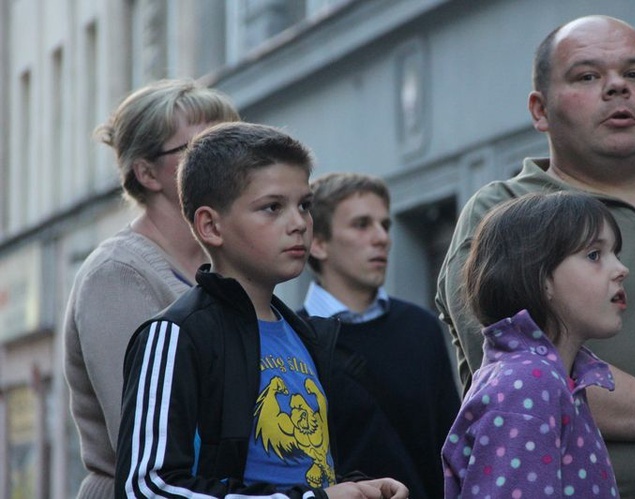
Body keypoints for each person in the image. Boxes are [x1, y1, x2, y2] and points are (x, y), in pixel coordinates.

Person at [435, 14, 635, 498]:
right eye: (588, 76)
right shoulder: (505, 214)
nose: (617, 88)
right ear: (540, 110)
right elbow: (526, 370)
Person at [115, 122, 409, 499]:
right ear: (210, 226)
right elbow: (146, 489)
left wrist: (358, 487)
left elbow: (307, 471)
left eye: (304, 205)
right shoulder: (176, 335)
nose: (299, 223)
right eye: (272, 208)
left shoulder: (306, 335)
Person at [63, 79, 240, 498]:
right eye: (201, 147)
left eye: (232, 141)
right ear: (146, 172)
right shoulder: (117, 274)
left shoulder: (228, 266)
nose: (232, 161)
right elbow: (148, 438)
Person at [443, 191, 630, 498]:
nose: (621, 269)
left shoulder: (552, 378)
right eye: (594, 255)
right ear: (540, 278)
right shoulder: (526, 385)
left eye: (615, 253)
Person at [298, 172, 460, 499]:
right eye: (361, 224)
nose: (381, 237)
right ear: (318, 243)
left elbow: (453, 449)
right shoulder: (294, 339)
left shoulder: (421, 328)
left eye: (384, 225)